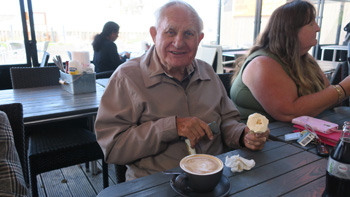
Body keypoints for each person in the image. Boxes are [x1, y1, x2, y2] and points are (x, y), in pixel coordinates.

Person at [95, 1, 269, 181]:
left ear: (199, 39)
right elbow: (113, 147)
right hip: (156, 185)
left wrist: (243, 135)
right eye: (170, 32)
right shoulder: (127, 77)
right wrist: (171, 127)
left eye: (188, 34)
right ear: (154, 35)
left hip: (216, 179)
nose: (179, 43)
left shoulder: (207, 72)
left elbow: (227, 120)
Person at [230, 0, 350, 123]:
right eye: (311, 23)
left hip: (297, 134)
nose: (318, 28)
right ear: (291, 30)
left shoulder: (305, 59)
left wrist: (339, 91)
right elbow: (290, 113)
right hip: (259, 138)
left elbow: (326, 100)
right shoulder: (262, 64)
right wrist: (343, 88)